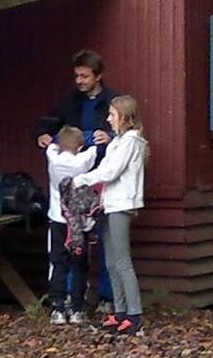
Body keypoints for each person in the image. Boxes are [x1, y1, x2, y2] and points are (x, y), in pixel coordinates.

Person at [35, 49, 119, 311]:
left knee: (104, 239)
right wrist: (43, 135)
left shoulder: (113, 101)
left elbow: (130, 133)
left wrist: (111, 137)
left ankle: (106, 296)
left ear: (99, 75)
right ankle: (70, 295)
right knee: (71, 240)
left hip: (103, 179)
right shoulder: (69, 101)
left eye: (84, 76)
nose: (80, 81)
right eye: (77, 76)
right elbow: (47, 123)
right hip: (72, 182)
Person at [72, 95, 149, 337]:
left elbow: (111, 171)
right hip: (109, 205)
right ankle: (120, 310)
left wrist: (81, 179)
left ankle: (134, 315)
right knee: (110, 262)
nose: (108, 119)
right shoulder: (119, 141)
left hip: (121, 206)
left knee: (122, 261)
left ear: (125, 118)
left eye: (112, 115)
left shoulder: (131, 143)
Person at [44, 127, 97, 325]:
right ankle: (77, 308)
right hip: (79, 223)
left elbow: (50, 146)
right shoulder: (82, 161)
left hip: (58, 219)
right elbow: (94, 149)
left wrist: (53, 141)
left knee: (58, 263)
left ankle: (58, 308)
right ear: (79, 146)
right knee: (79, 265)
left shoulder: (52, 159)